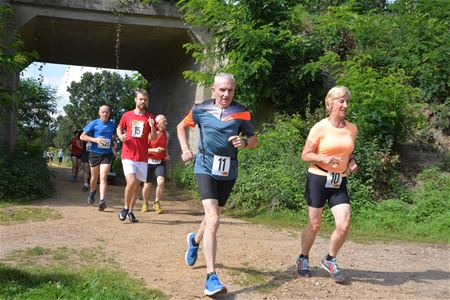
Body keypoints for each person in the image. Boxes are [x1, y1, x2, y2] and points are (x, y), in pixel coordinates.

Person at [177, 73, 258, 296]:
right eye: (222, 90)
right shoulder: (200, 109)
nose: (226, 94)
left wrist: (244, 142)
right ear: (213, 89)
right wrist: (185, 149)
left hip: (228, 170)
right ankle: (211, 277)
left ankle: (194, 240)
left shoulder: (241, 111)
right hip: (204, 166)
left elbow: (254, 140)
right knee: (214, 218)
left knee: (213, 217)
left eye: (230, 90)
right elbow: (180, 127)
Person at [295, 86, 358, 283]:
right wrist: (324, 158)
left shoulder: (352, 128)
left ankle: (330, 259)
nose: (345, 105)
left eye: (347, 101)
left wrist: (353, 162)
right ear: (330, 104)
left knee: (344, 223)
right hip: (318, 178)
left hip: (340, 180)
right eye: (341, 101)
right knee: (314, 224)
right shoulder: (320, 127)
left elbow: (348, 153)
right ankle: (303, 258)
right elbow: (305, 154)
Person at [116, 89, 157, 223]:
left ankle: (131, 211)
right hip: (128, 154)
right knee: (131, 182)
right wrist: (120, 136)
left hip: (142, 157)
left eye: (145, 100)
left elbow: (154, 138)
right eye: (140, 99)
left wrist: (152, 127)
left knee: (136, 187)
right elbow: (119, 128)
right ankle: (125, 208)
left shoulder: (150, 118)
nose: (142, 102)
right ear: (135, 100)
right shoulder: (127, 115)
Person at [80, 106, 116, 211]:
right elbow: (82, 136)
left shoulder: (113, 124)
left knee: (104, 176)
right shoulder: (94, 123)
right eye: (103, 112)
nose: (105, 114)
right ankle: (92, 192)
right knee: (94, 178)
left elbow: (114, 136)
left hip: (107, 154)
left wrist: (113, 144)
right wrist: (95, 140)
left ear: (109, 113)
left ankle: (102, 200)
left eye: (107, 112)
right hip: (95, 153)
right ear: (99, 113)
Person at [141, 114, 170, 214]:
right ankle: (145, 203)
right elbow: (143, 150)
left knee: (161, 181)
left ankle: (156, 202)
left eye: (166, 121)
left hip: (160, 161)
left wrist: (166, 154)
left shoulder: (167, 134)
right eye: (164, 121)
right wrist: (154, 150)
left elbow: (165, 147)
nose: (166, 123)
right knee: (147, 185)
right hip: (148, 161)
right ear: (157, 123)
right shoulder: (149, 134)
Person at [81, 120, 92, 192]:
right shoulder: (82, 133)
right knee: (86, 169)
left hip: (94, 153)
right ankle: (85, 184)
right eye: (88, 124)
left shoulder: (96, 132)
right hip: (85, 153)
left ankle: (92, 185)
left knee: (93, 171)